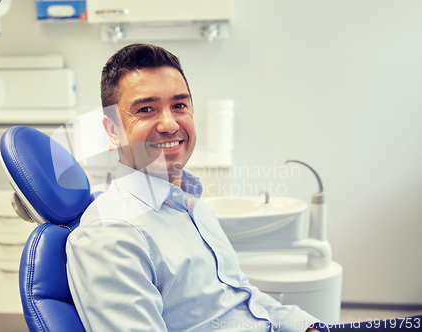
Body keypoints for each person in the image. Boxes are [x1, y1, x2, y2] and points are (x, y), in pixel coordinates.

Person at [65, 44, 420, 332]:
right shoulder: (110, 237)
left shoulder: (189, 200)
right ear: (111, 130)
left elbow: (242, 296)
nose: (170, 123)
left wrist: (307, 328)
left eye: (179, 105)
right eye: (146, 109)